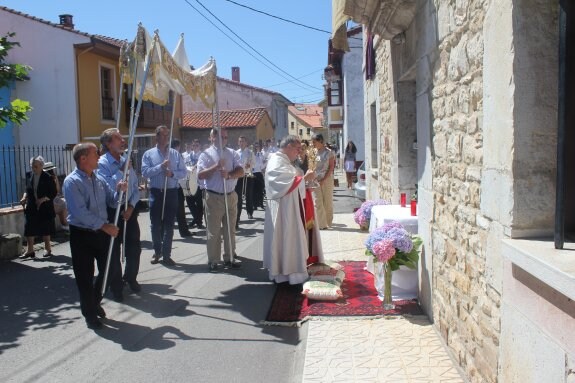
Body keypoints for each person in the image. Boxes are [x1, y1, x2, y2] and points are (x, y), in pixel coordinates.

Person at [63, 142, 126, 330]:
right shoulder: (72, 182)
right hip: (82, 235)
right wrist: (105, 226)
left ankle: (94, 300)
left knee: (111, 269)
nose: (99, 156)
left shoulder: (98, 179)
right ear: (83, 159)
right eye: (95, 153)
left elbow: (111, 201)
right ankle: (90, 314)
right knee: (84, 276)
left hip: (101, 234)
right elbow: (80, 212)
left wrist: (119, 191)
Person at [263, 135, 324, 285]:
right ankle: (288, 274)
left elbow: (294, 179)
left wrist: (306, 181)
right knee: (287, 240)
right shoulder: (276, 161)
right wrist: (304, 179)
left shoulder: (285, 162)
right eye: (297, 149)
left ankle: (293, 273)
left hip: (291, 209)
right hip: (284, 212)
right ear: (288, 146)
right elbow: (280, 183)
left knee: (291, 240)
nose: (299, 152)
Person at [98, 128, 142, 297]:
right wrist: (121, 170)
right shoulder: (102, 163)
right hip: (112, 212)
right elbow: (109, 192)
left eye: (122, 138)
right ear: (109, 144)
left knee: (134, 247)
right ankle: (116, 286)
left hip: (129, 210)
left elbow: (135, 188)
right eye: (118, 139)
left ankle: (131, 277)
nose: (123, 141)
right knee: (113, 250)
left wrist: (131, 207)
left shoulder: (126, 160)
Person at [197, 128, 244, 272]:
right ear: (212, 138)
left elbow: (241, 171)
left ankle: (229, 257)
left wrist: (229, 175)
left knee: (230, 229)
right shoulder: (205, 154)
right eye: (220, 137)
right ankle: (213, 260)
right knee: (214, 231)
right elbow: (200, 175)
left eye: (225, 137)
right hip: (214, 197)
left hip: (230, 195)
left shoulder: (232, 153)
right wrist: (216, 166)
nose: (223, 140)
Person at [141, 125, 187, 266]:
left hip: (171, 192)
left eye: (168, 135)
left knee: (169, 225)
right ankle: (157, 251)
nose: (166, 138)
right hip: (156, 192)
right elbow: (145, 172)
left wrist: (172, 174)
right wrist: (160, 167)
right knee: (155, 225)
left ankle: (167, 254)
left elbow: (184, 172)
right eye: (163, 135)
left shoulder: (174, 154)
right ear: (157, 136)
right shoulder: (148, 154)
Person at [20, 156, 57, 258]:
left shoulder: (48, 177)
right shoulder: (29, 175)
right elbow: (27, 189)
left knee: (45, 228)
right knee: (29, 227)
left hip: (45, 206)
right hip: (32, 205)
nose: (33, 168)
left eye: (36, 166)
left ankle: (47, 248)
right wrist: (24, 197)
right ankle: (30, 250)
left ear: (41, 166)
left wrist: (43, 199)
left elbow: (53, 192)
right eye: (32, 166)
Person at [311, 133, 335, 230]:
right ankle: (321, 224)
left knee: (327, 202)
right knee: (317, 202)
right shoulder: (312, 153)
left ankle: (328, 222)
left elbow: (331, 167)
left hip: (327, 179)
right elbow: (311, 166)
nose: (313, 143)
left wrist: (324, 180)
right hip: (315, 179)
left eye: (314, 141)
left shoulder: (329, 152)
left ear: (320, 141)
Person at [171, 138, 194, 238]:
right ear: (178, 146)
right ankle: (184, 231)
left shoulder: (166, 154)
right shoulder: (177, 155)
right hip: (177, 185)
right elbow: (183, 171)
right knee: (180, 211)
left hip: (169, 186)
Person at [184, 139, 204, 229]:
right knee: (190, 202)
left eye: (197, 145)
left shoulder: (202, 156)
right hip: (189, 182)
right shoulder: (188, 156)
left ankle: (198, 222)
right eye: (194, 145)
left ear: (200, 146)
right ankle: (197, 219)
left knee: (199, 204)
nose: (195, 147)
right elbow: (184, 166)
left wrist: (195, 167)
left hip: (199, 182)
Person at [234, 136, 255, 224]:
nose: (241, 143)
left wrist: (250, 165)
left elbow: (254, 163)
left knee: (248, 195)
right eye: (240, 141)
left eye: (243, 141)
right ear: (238, 143)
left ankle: (249, 212)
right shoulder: (236, 153)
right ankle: (237, 216)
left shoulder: (250, 153)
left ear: (246, 143)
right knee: (238, 196)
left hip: (247, 176)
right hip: (239, 176)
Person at [43, 162, 69, 230]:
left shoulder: (51, 178)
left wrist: (55, 179)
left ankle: (64, 224)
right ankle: (64, 224)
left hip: (51, 199)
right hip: (47, 200)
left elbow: (56, 191)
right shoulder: (45, 179)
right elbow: (56, 190)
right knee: (63, 204)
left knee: (63, 203)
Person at [252, 142, 265, 210]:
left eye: (258, 147)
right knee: (254, 190)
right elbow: (252, 164)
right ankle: (255, 205)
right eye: (256, 146)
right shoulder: (251, 154)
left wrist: (264, 163)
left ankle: (261, 204)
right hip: (253, 173)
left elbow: (262, 165)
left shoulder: (261, 154)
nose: (257, 148)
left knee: (261, 189)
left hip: (259, 173)